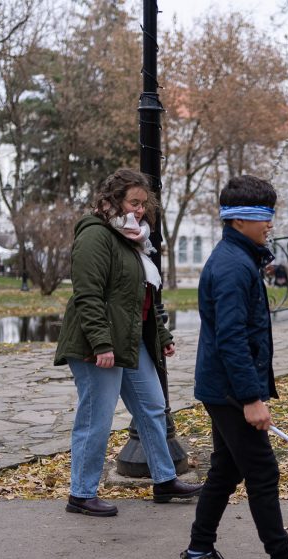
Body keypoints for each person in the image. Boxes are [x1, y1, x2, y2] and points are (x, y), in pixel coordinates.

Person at [179, 175, 288, 559]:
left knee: (227, 471)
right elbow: (231, 338)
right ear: (239, 220)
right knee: (263, 471)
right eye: (263, 215)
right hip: (231, 391)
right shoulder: (232, 266)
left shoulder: (239, 259)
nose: (270, 223)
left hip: (223, 386)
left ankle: (197, 555)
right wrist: (251, 398)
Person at [54, 168, 202, 517]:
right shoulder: (96, 235)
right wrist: (101, 344)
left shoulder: (132, 239)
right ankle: (81, 493)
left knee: (152, 407)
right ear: (113, 200)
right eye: (133, 202)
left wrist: (161, 334)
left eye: (143, 204)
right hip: (98, 345)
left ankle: (164, 480)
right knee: (96, 418)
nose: (139, 209)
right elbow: (88, 294)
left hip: (130, 340)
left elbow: (141, 297)